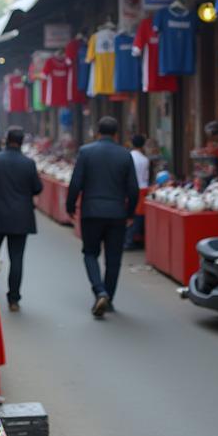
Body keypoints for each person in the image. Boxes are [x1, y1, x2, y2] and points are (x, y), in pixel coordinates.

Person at [66, 116, 140, 318]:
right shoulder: (125, 155)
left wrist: (70, 205)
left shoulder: (86, 152)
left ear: (97, 132)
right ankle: (109, 298)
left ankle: (100, 291)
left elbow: (76, 182)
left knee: (90, 253)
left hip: (91, 211)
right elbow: (133, 189)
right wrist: (130, 212)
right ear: (117, 133)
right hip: (117, 213)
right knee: (114, 259)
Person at [0, 127, 43, 312]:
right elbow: (37, 188)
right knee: (16, 258)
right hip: (21, 217)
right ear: (22, 141)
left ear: (6, 140)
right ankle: (13, 299)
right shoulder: (28, 163)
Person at [123, 133, 150, 250]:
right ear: (143, 145)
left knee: (129, 213)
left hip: (129, 188)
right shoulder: (145, 160)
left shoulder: (127, 156)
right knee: (138, 216)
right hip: (142, 188)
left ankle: (128, 239)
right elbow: (145, 177)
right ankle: (134, 239)